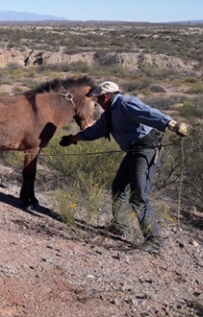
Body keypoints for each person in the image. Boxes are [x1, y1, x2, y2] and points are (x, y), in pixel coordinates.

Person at [60, 81, 188, 254]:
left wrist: (172, 124)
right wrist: (73, 139)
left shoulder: (126, 103)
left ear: (106, 96)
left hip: (146, 150)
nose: (97, 102)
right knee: (119, 187)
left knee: (138, 196)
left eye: (98, 99)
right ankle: (120, 226)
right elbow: (96, 130)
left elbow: (148, 113)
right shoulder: (109, 114)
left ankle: (154, 240)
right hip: (133, 152)